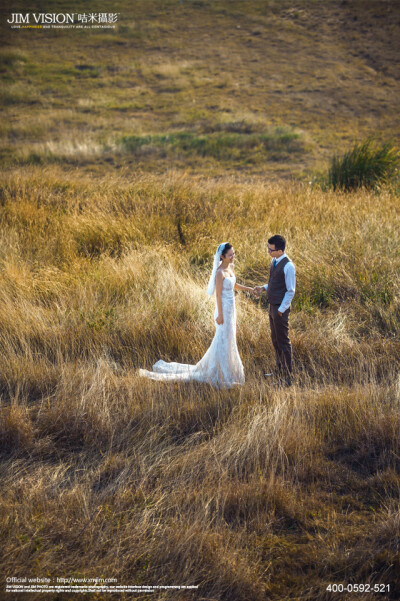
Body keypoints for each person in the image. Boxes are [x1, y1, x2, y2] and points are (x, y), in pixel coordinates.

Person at [138, 242, 253, 388]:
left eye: (233, 254)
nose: (233, 257)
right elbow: (218, 295)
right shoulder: (219, 273)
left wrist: (249, 289)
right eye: (230, 255)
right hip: (223, 308)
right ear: (222, 256)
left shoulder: (230, 267)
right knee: (222, 338)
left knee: (230, 337)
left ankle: (229, 369)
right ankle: (219, 370)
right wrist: (220, 315)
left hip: (232, 309)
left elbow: (233, 284)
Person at [254, 235, 295, 386]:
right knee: (275, 340)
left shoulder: (289, 266)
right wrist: (264, 287)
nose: (268, 252)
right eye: (268, 248)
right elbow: (275, 282)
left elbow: (290, 291)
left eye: (270, 249)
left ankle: (288, 378)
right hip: (272, 306)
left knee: (284, 342)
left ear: (279, 250)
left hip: (280, 309)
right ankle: (278, 370)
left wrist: (281, 310)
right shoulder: (274, 261)